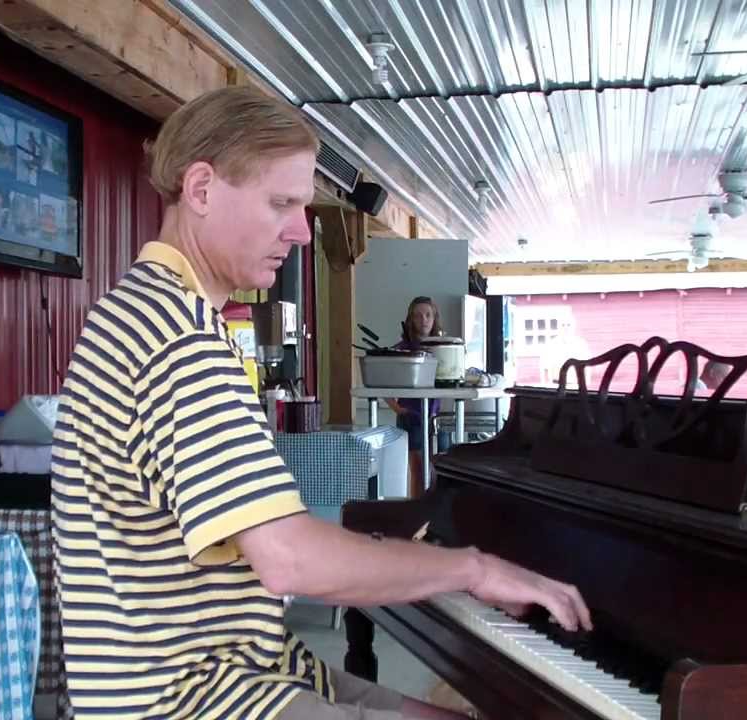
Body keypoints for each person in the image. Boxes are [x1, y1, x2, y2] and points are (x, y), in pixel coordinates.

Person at [51, 85, 591, 720]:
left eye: (303, 206)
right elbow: (289, 560)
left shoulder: (153, 311)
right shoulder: (176, 338)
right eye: (281, 202)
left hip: (241, 672)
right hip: (189, 700)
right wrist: (472, 569)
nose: (302, 232)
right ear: (200, 190)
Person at [385, 296, 443, 498]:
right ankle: (416, 513)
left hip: (436, 416)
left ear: (435, 318)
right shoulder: (402, 349)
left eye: (428, 315)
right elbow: (383, 382)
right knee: (418, 470)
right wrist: (396, 408)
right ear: (410, 320)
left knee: (437, 470)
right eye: (418, 316)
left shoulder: (441, 348)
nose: (424, 320)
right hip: (412, 415)